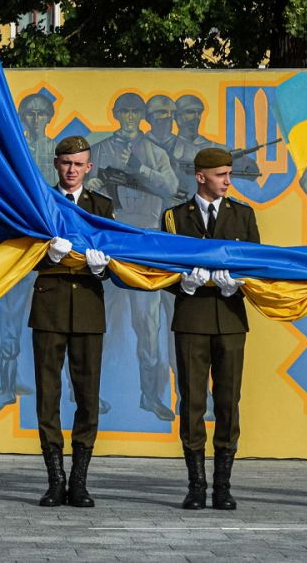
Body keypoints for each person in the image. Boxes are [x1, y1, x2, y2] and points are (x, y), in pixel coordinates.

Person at [162, 147, 259, 511]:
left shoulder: (243, 216)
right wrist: (183, 284)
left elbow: (255, 265)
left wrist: (238, 283)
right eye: (220, 175)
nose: (227, 181)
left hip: (231, 320)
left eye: (229, 174)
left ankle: (223, 484)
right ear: (200, 176)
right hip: (190, 319)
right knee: (192, 402)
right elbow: (163, 269)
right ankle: (195, 484)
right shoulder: (174, 217)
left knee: (228, 402)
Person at [33, 135, 114, 508]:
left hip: (87, 308)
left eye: (78, 164)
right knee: (48, 397)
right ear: (56, 164)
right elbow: (22, 256)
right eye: (66, 163)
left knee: (87, 397)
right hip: (49, 308)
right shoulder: (41, 202)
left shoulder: (101, 206)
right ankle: (55, 480)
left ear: (89, 168)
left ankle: (79, 481)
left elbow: (115, 260)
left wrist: (102, 268)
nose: (71, 170)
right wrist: (48, 257)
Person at [90, 92, 179, 422]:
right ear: (115, 113)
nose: (129, 116)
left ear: (142, 115)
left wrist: (139, 169)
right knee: (98, 324)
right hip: (110, 245)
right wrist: (95, 182)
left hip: (144, 246)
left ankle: (150, 394)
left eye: (134, 111)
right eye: (124, 110)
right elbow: (87, 192)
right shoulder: (100, 149)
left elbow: (170, 186)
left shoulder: (155, 152)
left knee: (149, 326)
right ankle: (87, 393)